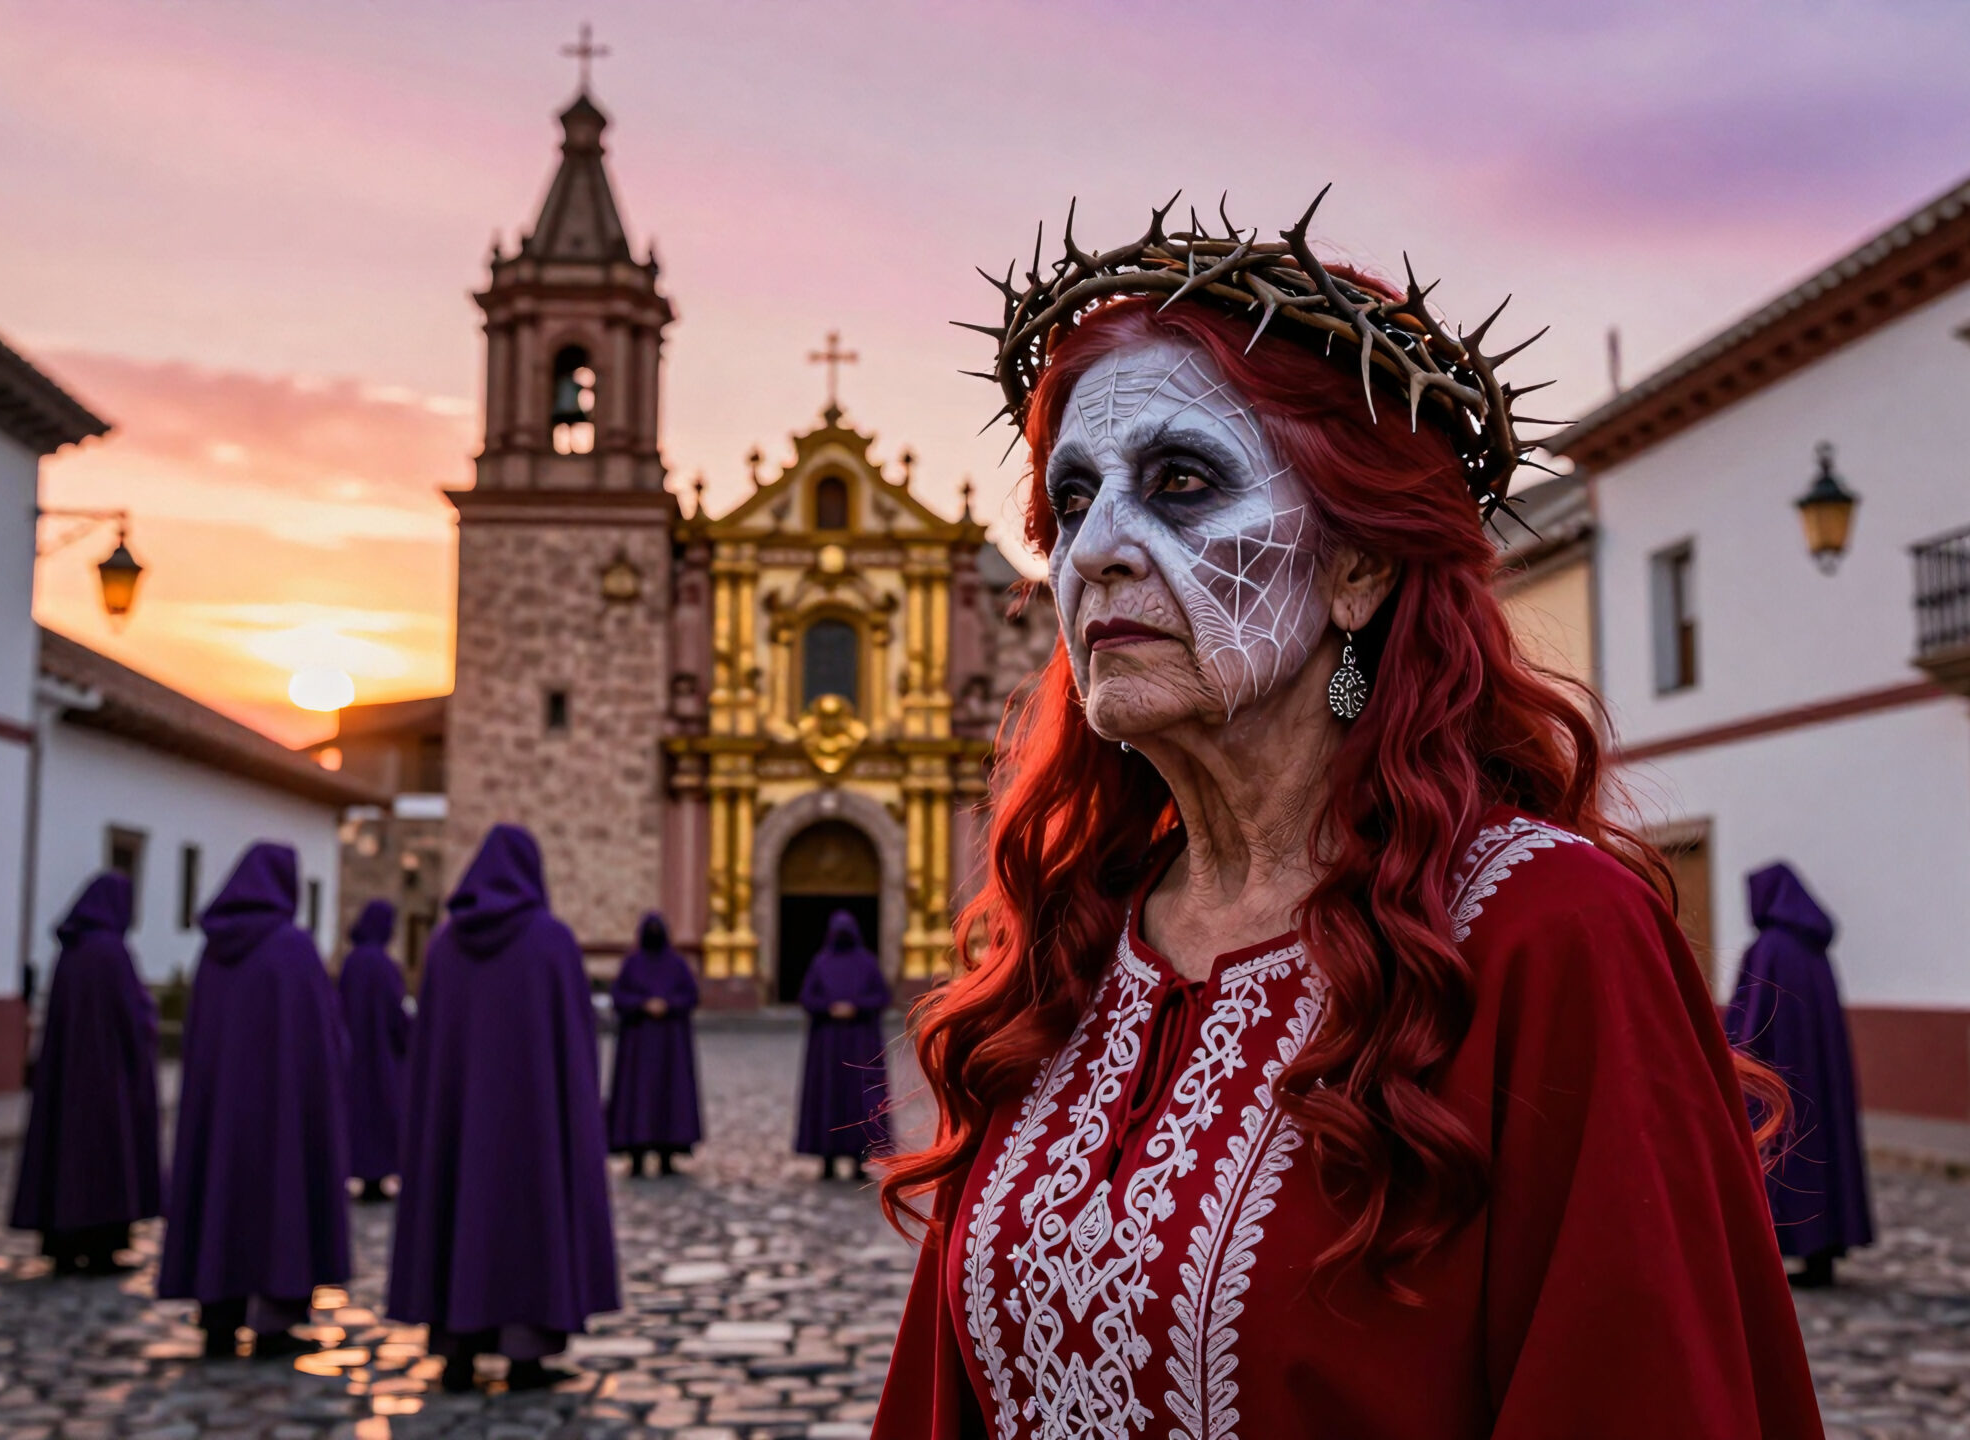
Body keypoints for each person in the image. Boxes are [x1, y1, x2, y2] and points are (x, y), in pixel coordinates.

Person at [872, 203, 1822, 1438]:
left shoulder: (1548, 933)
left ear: (1358, 567)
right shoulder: (1074, 946)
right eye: (1073, 499)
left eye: (1180, 482)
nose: (1095, 550)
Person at [388, 825, 620, 1394]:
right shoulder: (551, 942)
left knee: (458, 1206)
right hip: (533, 1123)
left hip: (459, 1124)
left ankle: (456, 1350)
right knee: (531, 1215)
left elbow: (430, 1050)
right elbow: (576, 1045)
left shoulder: (445, 946)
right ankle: (525, 1352)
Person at [156, 842, 352, 1361]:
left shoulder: (213, 954)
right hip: (282, 1114)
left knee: (222, 1196)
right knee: (279, 1200)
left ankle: (219, 1316)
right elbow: (324, 1040)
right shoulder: (293, 949)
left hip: (222, 1115)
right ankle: (273, 1318)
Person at [1726, 862, 1875, 1288]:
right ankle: (1822, 1254)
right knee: (1824, 1155)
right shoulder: (1814, 951)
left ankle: (1780, 1252)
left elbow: (1751, 1022)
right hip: (1820, 1083)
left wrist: (1731, 1060)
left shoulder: (1769, 950)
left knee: (1785, 1161)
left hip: (1779, 1082)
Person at [9, 871, 162, 1276]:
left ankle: (62, 1244)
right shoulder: (112, 953)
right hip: (106, 1082)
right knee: (102, 1158)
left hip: (67, 1080)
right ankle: (99, 1247)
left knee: (65, 1153)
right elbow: (132, 1018)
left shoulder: (71, 953)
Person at [795, 910, 890, 1182]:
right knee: (829, 1097)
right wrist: (829, 1007)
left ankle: (858, 1159)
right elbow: (807, 997)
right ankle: (827, 1158)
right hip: (829, 1047)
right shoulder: (822, 962)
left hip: (859, 1044)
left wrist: (855, 1007)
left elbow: (882, 996)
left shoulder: (866, 963)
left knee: (858, 1099)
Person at [607, 910, 703, 1177]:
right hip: (637, 1045)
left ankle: (667, 1154)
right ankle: (636, 1154)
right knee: (636, 1096)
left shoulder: (677, 964)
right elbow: (619, 995)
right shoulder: (632, 963)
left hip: (670, 1046)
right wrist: (642, 1004)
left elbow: (690, 995)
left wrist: (668, 1004)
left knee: (669, 1095)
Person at [336, 899, 410, 1202]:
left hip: (355, 1055)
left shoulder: (351, 963)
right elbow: (395, 1013)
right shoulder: (384, 966)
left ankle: (359, 1175)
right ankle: (380, 1176)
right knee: (382, 1113)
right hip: (382, 1057)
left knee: (357, 1113)